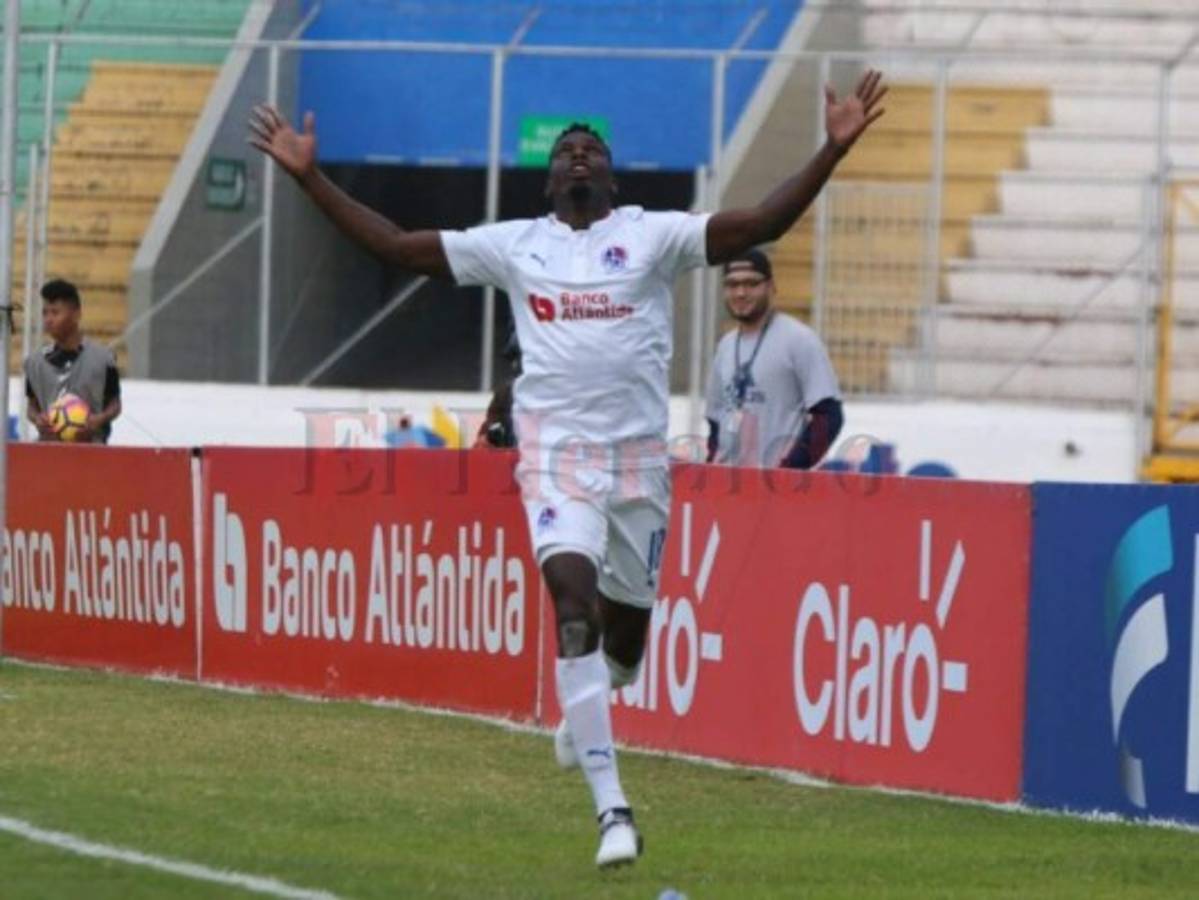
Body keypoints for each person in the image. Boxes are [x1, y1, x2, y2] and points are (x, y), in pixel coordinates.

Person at [248, 68, 885, 868]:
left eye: (591, 150)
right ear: (549, 179)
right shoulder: (515, 247)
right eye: (565, 151)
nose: (577, 156)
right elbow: (399, 248)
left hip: (639, 469)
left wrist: (829, 149)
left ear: (610, 177)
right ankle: (612, 809)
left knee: (623, 650)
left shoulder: (653, 237)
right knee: (571, 610)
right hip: (554, 463)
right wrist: (310, 178)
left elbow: (763, 220)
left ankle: (588, 707)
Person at [705, 248, 843, 468]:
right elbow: (715, 421)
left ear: (771, 287)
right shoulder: (726, 345)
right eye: (732, 284)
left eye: (751, 284)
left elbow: (828, 416)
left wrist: (788, 471)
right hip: (728, 486)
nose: (740, 293)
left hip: (777, 487)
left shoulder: (798, 339)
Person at [24, 278, 122, 444]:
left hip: (93, 451)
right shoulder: (35, 362)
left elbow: (115, 403)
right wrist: (37, 418)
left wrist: (100, 419)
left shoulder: (103, 358)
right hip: (49, 451)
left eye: (55, 312)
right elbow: (32, 406)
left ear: (76, 314)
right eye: (45, 313)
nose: (48, 319)